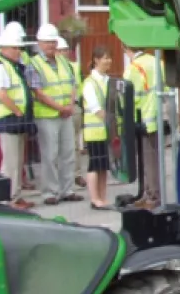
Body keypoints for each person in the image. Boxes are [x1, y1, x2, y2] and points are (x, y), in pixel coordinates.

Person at [30, 24, 82, 205]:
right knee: (50, 155)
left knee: (68, 153)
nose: (51, 45)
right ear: (39, 43)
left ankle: (67, 189)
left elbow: (72, 85)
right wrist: (61, 108)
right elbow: (38, 92)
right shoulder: (34, 64)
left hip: (65, 114)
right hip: (47, 116)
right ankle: (50, 192)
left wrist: (69, 105)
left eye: (53, 42)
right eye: (47, 42)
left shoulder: (63, 62)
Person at [0, 27, 35, 209]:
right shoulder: (1, 67)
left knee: (17, 161)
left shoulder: (13, 66)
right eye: (15, 48)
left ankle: (16, 195)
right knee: (10, 162)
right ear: (4, 48)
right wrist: (17, 111)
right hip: (8, 118)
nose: (19, 51)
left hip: (16, 119)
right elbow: (1, 94)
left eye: (20, 48)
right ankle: (7, 200)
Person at [123, 44, 169, 209]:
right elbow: (167, 87)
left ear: (127, 49)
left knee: (148, 160)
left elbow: (129, 96)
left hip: (143, 118)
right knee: (154, 159)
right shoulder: (158, 62)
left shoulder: (134, 68)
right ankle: (149, 193)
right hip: (158, 116)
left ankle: (152, 196)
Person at [81, 46, 117, 210]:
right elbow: (96, 109)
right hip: (95, 131)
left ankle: (102, 197)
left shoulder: (107, 80)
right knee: (95, 164)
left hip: (105, 132)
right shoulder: (90, 83)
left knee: (103, 165)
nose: (108, 61)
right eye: (105, 58)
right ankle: (95, 198)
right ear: (96, 60)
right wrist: (112, 121)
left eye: (109, 58)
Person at [57, 36, 88, 188]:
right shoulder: (51, 68)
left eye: (65, 50)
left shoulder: (74, 67)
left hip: (74, 107)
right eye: (60, 50)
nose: (64, 53)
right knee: (58, 145)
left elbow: (79, 86)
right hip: (55, 109)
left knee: (75, 144)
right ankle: (61, 176)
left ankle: (76, 174)